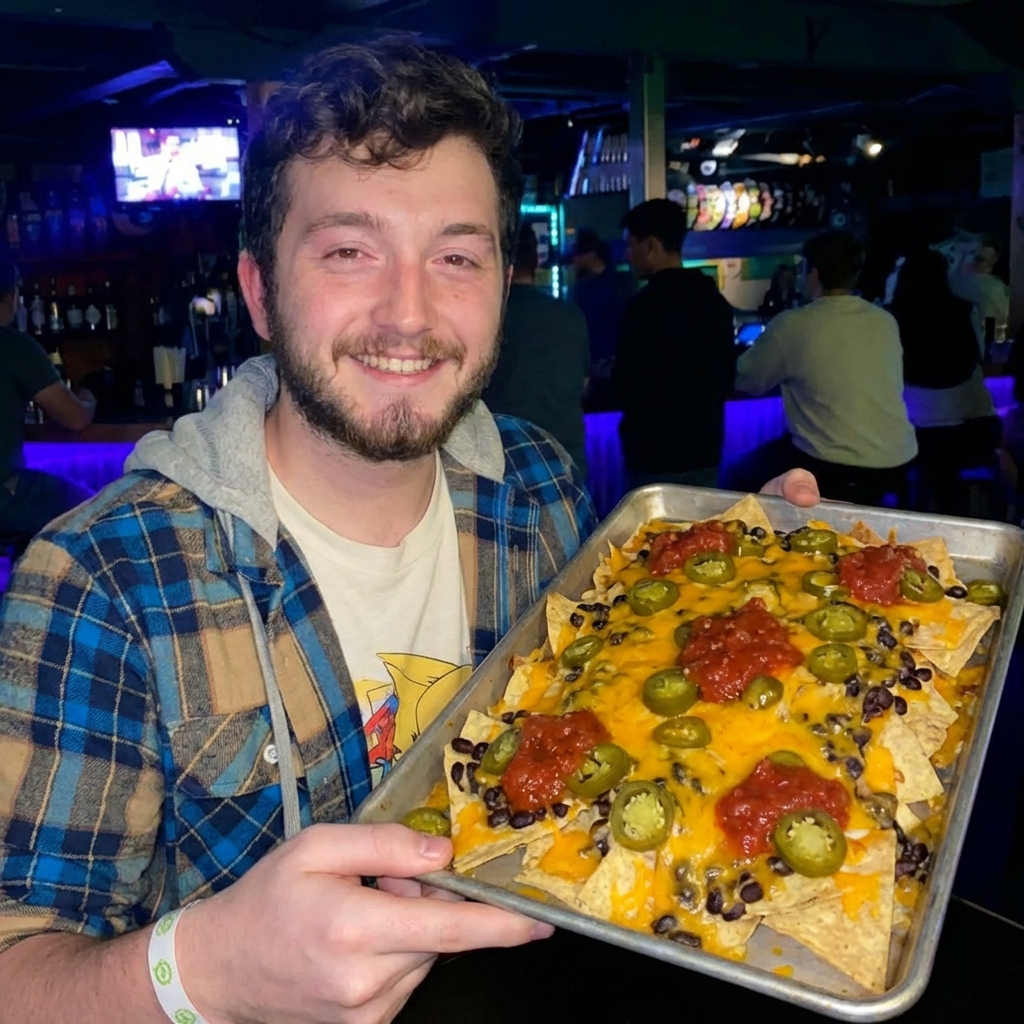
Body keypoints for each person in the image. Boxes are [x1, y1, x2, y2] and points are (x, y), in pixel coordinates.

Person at [0, 41, 819, 1024]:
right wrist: (202, 971)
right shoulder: (104, 578)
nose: (408, 314)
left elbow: (608, 723)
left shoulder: (534, 486)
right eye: (349, 251)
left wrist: (737, 599)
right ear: (260, 291)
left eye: (456, 257)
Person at [734, 230, 918, 506]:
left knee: (739, 475)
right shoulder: (884, 320)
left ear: (814, 274)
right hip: (899, 459)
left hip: (832, 465)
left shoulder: (793, 324)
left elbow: (746, 379)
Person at [611, 198, 737, 489]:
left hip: (653, 454)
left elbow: (628, 386)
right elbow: (725, 377)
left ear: (652, 246)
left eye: (632, 245)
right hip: (705, 450)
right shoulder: (715, 302)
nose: (628, 255)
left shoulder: (644, 307)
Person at [889, 247, 1001, 512]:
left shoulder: (890, 318)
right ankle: (961, 515)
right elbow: (979, 357)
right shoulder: (964, 311)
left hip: (911, 433)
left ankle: (914, 511)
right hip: (966, 431)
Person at [0, 254, 96, 545]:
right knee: (95, 512)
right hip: (6, 495)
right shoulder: (13, 347)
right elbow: (75, 418)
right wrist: (88, 399)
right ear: (10, 296)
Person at [482, 228, 589, 474]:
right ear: (537, 260)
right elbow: (583, 385)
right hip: (565, 463)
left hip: (500, 467)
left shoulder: (484, 320)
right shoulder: (570, 316)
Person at [570, 228, 631, 409]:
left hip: (603, 371)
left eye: (578, 254)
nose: (575, 260)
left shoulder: (586, 290)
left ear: (591, 255)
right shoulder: (623, 283)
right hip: (615, 371)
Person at [949, 233, 1011, 356]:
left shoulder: (992, 291)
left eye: (979, 260)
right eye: (971, 255)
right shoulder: (942, 280)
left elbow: (992, 333)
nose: (971, 262)